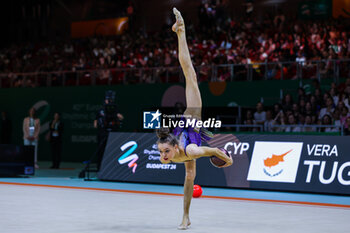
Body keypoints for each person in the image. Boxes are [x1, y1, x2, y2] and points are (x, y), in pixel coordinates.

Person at [156, 8, 233, 230]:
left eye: (164, 152)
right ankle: (186, 216)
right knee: (189, 176)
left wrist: (227, 160)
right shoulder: (172, 152)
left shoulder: (190, 152)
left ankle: (181, 30)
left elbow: (215, 151)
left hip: (193, 114)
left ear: (173, 147)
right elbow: (176, 148)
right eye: (161, 152)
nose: (162, 155)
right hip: (186, 135)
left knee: (190, 72)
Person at [93, 91, 124, 171]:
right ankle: (99, 168)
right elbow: (95, 122)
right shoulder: (101, 110)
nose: (108, 101)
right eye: (107, 99)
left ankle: (112, 169)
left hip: (112, 134)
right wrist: (98, 125)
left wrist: (116, 115)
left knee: (112, 151)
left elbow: (121, 117)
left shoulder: (115, 109)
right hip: (102, 133)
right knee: (101, 151)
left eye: (110, 99)